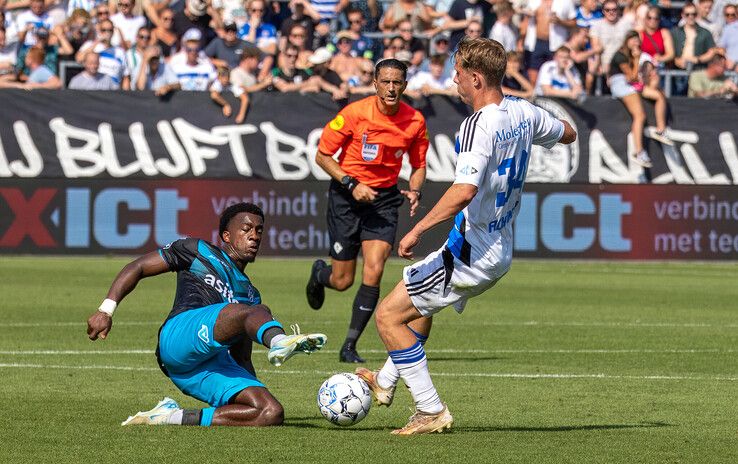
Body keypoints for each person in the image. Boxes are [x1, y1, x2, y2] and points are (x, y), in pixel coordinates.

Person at [354, 38, 577, 435]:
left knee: (388, 316)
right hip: (495, 245)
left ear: (476, 78)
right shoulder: (523, 112)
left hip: (472, 252)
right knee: (418, 309)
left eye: (457, 73)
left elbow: (464, 190)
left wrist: (417, 230)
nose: (453, 79)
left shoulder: (479, 123)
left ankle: (430, 409)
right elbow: (569, 133)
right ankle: (385, 380)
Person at [86, 202, 327, 427]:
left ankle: (169, 416)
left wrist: (250, 389)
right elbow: (138, 266)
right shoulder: (197, 250)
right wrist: (105, 310)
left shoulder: (250, 295)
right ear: (226, 236)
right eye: (246, 229)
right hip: (179, 337)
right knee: (253, 312)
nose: (254, 236)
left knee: (269, 412)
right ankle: (279, 340)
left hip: (201, 366)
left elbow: (242, 358)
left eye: (259, 230)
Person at [306, 58, 429, 363]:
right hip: (346, 197)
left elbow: (419, 165)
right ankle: (320, 274)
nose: (391, 88)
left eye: (396, 82)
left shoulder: (414, 121)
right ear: (374, 83)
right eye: (385, 81)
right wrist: (351, 183)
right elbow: (323, 156)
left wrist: (415, 190)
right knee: (342, 280)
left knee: (374, 269)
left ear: (405, 85)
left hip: (384, 200)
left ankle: (349, 346)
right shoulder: (354, 113)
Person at [609, 30, 673, 168]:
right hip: (621, 84)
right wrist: (637, 59)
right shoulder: (621, 55)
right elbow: (631, 76)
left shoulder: (639, 56)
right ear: (627, 41)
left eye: (637, 40)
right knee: (640, 116)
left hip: (632, 84)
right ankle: (639, 152)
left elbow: (641, 77)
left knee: (659, 96)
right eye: (632, 40)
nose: (635, 43)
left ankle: (661, 130)